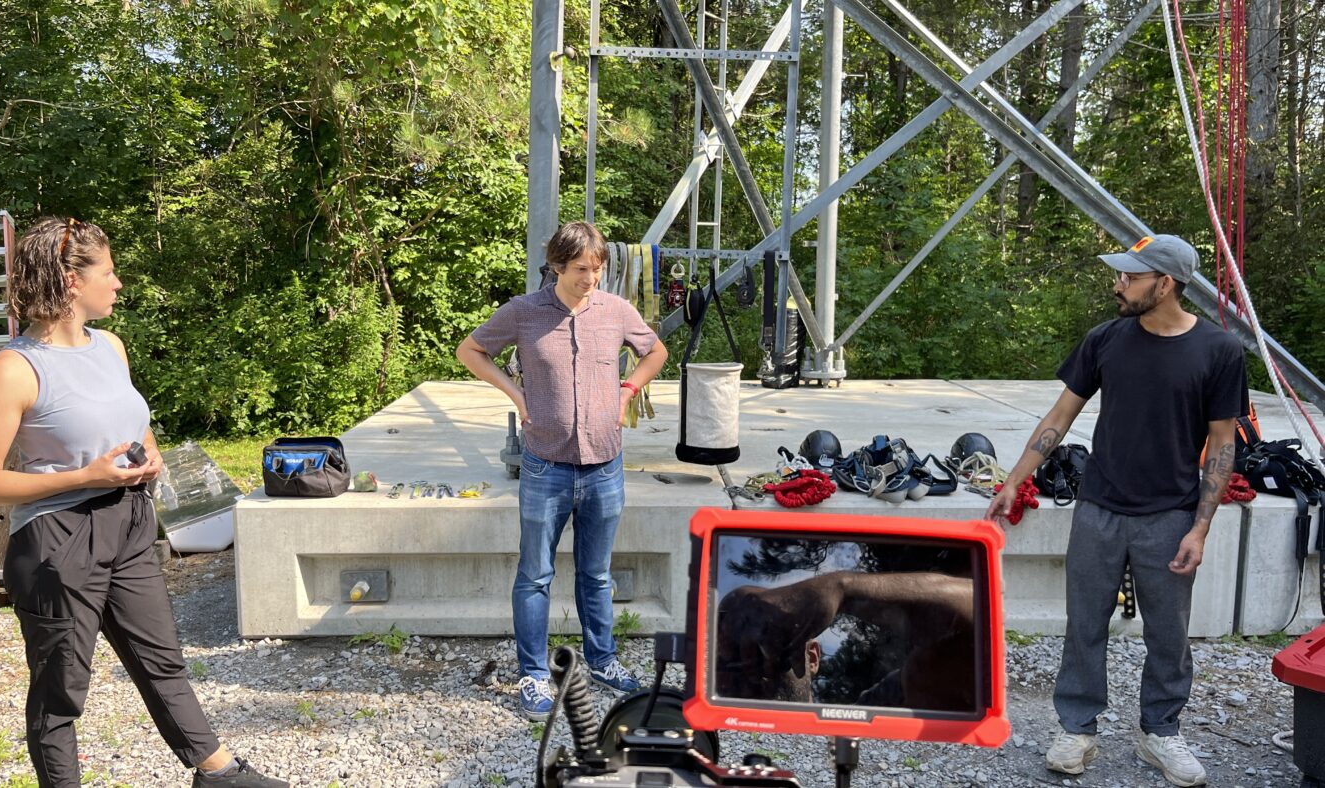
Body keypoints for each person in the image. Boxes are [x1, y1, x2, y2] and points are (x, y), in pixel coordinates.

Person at [0, 217, 286, 788]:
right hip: (58, 539)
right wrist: (83, 474)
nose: (119, 284)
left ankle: (220, 774)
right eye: (108, 272)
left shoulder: (110, 346)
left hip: (130, 520)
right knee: (61, 690)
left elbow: (135, 424)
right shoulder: (14, 370)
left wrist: (149, 457)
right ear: (70, 281)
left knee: (161, 658)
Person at [986, 234, 1244, 787]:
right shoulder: (1105, 340)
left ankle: (1161, 732)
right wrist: (1014, 480)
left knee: (1169, 634)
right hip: (1099, 507)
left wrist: (1200, 527)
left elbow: (1223, 445)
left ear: (1165, 283)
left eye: (1130, 276)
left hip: (1171, 514)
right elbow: (1060, 413)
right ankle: (1077, 729)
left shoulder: (1219, 352)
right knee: (1084, 624)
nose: (1118, 285)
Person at [455, 221, 668, 720]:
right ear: (556, 266)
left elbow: (654, 350)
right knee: (535, 575)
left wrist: (628, 390)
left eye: (597, 269)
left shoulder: (617, 310)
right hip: (545, 464)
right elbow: (470, 350)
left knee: (595, 575)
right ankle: (532, 675)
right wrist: (514, 391)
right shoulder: (524, 313)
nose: (590, 278)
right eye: (580, 270)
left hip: (604, 465)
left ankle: (603, 661)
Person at [714, 571, 975, 708]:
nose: (753, 664)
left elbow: (979, 607)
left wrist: (841, 588)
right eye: (735, 649)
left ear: (813, 657)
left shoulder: (877, 708)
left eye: (774, 643)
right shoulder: (698, 725)